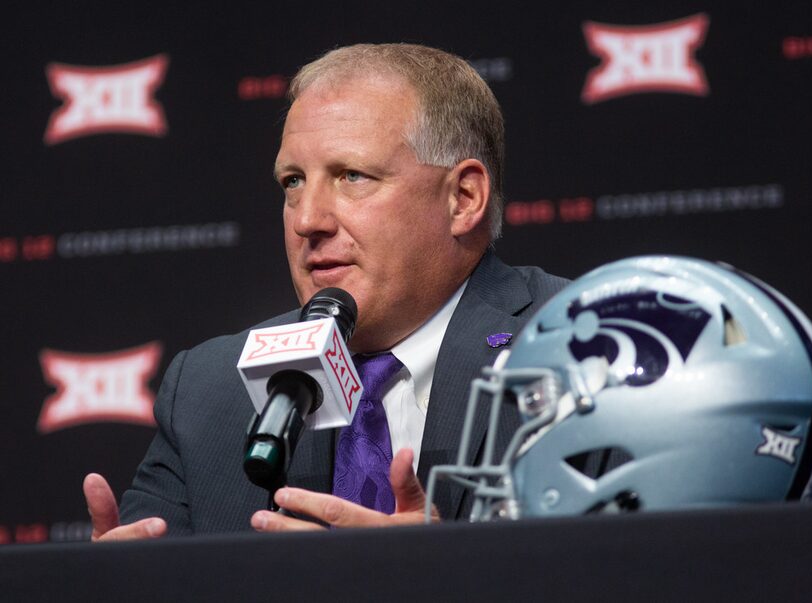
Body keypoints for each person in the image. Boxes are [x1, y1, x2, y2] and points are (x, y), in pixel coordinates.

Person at [83, 43, 569, 540]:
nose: (308, 219)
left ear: (463, 199)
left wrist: (441, 578)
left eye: (352, 175)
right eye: (293, 181)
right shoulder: (208, 392)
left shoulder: (580, 348)